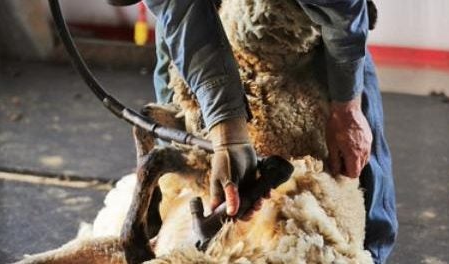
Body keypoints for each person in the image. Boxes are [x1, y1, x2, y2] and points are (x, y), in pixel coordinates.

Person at [144, 0, 398, 263]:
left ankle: (363, 252)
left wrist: (347, 107)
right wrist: (227, 135)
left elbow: (342, 13)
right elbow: (182, 15)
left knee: (350, 137)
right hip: (203, 11)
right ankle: (166, 229)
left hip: (294, 18)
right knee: (178, 103)